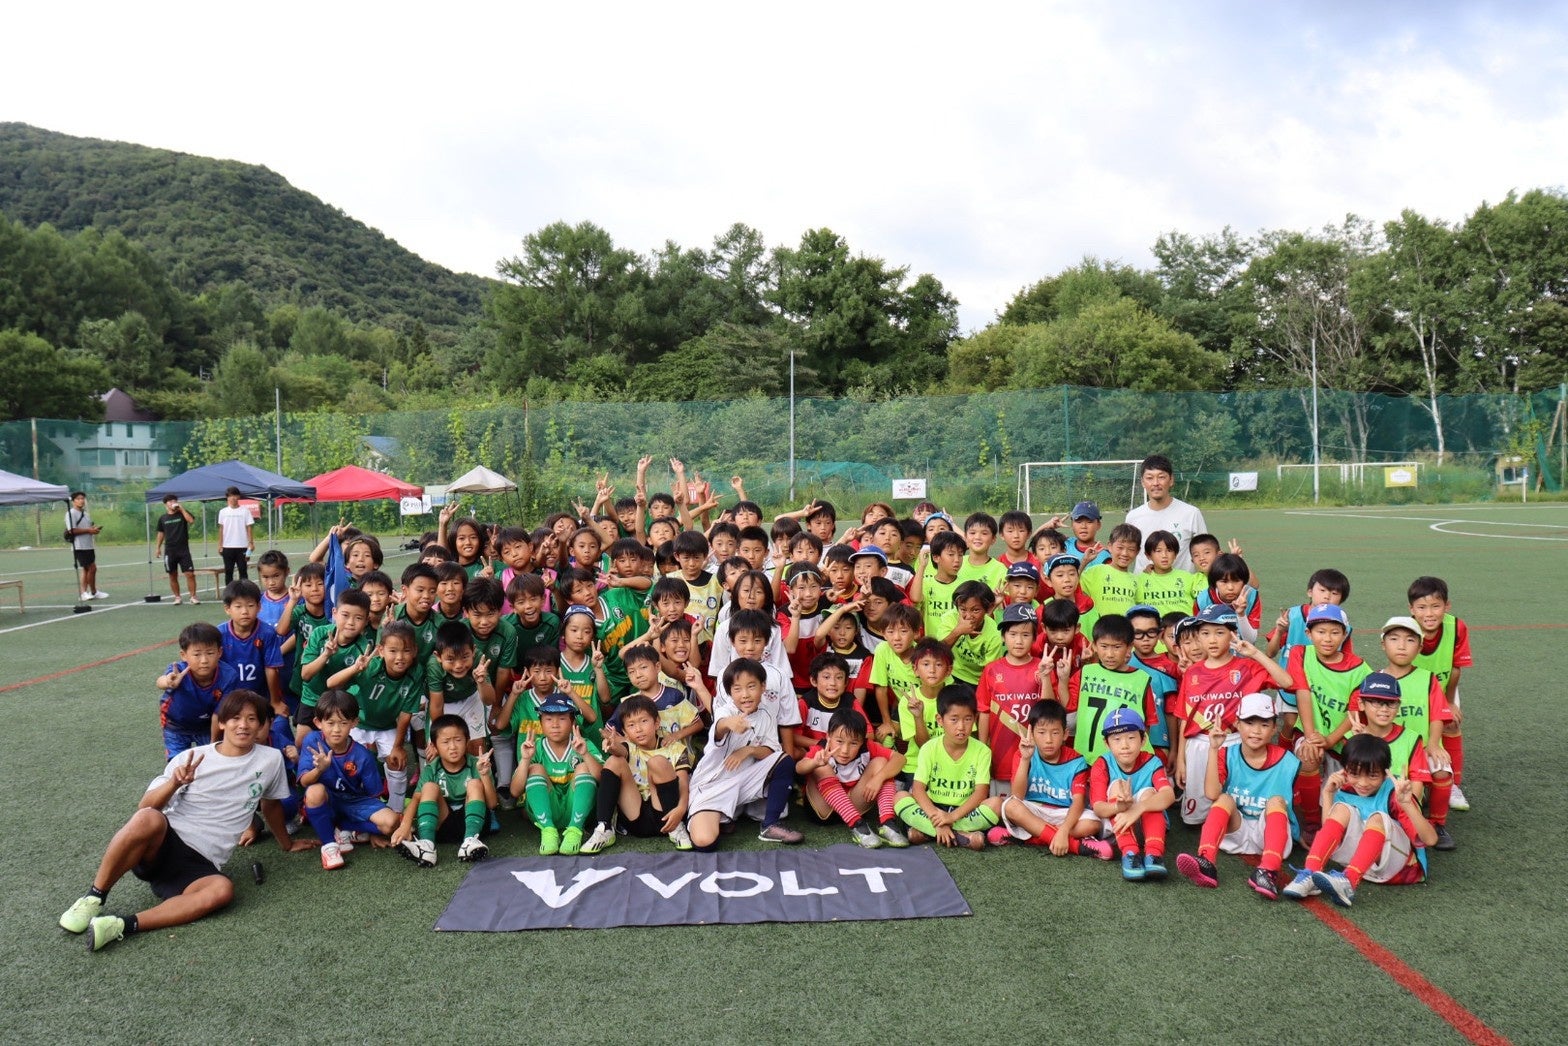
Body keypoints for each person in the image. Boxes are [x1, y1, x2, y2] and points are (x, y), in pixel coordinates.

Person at [59, 689, 315, 952]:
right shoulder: (192, 758)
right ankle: (94, 897)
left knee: (222, 890)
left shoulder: (270, 759)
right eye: (236, 718)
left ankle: (120, 925)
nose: (243, 725)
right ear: (222, 722)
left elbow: (270, 804)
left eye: (252, 719)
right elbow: (145, 806)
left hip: (201, 865)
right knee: (148, 818)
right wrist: (174, 783)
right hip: (163, 845)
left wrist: (286, 844)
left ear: (261, 725)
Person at [1172, 604, 1294, 826]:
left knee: (1233, 807)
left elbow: (1286, 682)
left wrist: (1255, 653)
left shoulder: (1247, 667)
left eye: (1219, 633)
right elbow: (1184, 718)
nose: (1212, 640)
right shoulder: (1192, 673)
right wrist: (1181, 759)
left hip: (1236, 742)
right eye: (1205, 633)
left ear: (1233, 634)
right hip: (1199, 744)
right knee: (1194, 819)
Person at [1282, 733, 1437, 906]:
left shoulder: (1395, 793)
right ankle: (1310, 873)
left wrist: (1407, 804)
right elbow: (1330, 836)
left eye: (1372, 776)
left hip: (1399, 868)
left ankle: (1349, 881)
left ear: (1386, 773)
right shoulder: (1346, 790)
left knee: (1377, 818)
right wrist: (1327, 794)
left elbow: (1431, 839)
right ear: (1345, 770)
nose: (1362, 783)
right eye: (1355, 774)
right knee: (1341, 808)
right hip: (1365, 866)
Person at [1175, 693, 1299, 899]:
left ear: (1274, 729)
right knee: (1223, 798)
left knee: (1276, 801)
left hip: (1269, 835)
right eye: (1249, 723)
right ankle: (1206, 861)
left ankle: (1268, 870)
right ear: (1237, 724)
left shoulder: (1289, 761)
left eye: (1264, 725)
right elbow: (1212, 794)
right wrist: (1213, 749)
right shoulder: (1227, 753)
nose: (1256, 731)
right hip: (1236, 830)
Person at [685, 658, 803, 847]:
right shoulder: (725, 711)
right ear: (730, 693)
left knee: (784, 761)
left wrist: (749, 750)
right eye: (737, 689)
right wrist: (729, 723)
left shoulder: (766, 714)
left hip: (743, 782)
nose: (745, 695)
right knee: (704, 842)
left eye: (751, 686)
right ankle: (719, 817)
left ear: (763, 687)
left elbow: (771, 750)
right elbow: (720, 726)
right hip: (711, 786)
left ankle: (770, 826)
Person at [984, 699, 1111, 858]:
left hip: (1063, 814)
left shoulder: (1077, 760)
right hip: (1034, 810)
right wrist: (1025, 759)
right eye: (1042, 732)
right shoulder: (1024, 754)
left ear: (1065, 734)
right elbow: (1018, 796)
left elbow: (1078, 802)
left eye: (1055, 732)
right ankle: (1076, 846)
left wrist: (1064, 829)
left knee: (1093, 823)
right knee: (1011, 806)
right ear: (1031, 733)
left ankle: (1025, 837)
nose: (1049, 739)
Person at [297, 689, 401, 869]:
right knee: (314, 791)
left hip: (353, 801)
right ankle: (330, 846)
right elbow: (304, 782)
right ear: (318, 723)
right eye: (330, 723)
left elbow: (373, 795)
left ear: (354, 723)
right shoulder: (312, 741)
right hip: (327, 800)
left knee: (391, 823)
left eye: (343, 723)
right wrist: (319, 769)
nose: (336, 729)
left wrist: (374, 831)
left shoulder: (363, 755)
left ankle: (346, 828)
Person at [583, 695, 694, 852]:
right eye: (631, 725)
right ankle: (604, 827)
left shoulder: (676, 749)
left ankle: (677, 829)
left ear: (656, 723)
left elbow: (683, 782)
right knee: (614, 760)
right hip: (635, 817)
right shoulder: (629, 748)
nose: (638, 729)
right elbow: (620, 750)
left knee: (658, 762)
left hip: (668, 816)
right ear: (625, 732)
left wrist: (681, 809)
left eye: (644, 721)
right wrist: (613, 746)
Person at [893, 685, 998, 850]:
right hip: (933, 808)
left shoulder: (982, 751)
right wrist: (937, 819)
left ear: (975, 719)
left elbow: (981, 793)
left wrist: (951, 817)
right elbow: (918, 789)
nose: (961, 727)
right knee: (900, 797)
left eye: (968, 719)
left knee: (997, 804)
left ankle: (928, 832)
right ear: (940, 720)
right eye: (954, 719)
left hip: (964, 812)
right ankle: (959, 836)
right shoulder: (929, 748)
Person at [796, 707, 909, 848]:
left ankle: (887, 822)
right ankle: (856, 824)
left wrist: (879, 778)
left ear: (862, 741)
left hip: (855, 805)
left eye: (854, 743)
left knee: (881, 763)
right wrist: (814, 762)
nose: (845, 750)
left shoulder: (868, 747)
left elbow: (900, 759)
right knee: (821, 767)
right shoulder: (822, 749)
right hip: (824, 810)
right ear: (828, 737)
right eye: (839, 741)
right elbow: (799, 768)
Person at [392, 714, 496, 866]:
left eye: (458, 740)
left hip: (475, 824)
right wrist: (404, 826)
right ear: (434, 746)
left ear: (467, 741)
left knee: (474, 784)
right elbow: (416, 799)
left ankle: (469, 841)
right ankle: (427, 845)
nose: (452, 747)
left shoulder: (477, 764)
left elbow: (492, 804)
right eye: (445, 742)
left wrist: (484, 774)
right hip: (442, 824)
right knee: (429, 787)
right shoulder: (431, 769)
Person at [1408, 576, 1472, 812]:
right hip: (1412, 691)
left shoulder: (1457, 627)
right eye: (1422, 607)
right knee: (1412, 732)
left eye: (1436, 606)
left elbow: (1455, 668)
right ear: (1412, 609)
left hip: (1444, 688)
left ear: (1447, 606)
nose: (1429, 613)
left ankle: (1453, 784)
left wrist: (1449, 702)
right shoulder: (1406, 629)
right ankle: (1415, 777)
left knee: (1451, 724)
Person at [1088, 707, 1176, 881]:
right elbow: (1098, 808)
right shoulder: (1102, 763)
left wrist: (1138, 808)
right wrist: (1119, 806)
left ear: (1143, 739)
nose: (1125, 745)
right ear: (1107, 743)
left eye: (1131, 737)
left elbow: (1169, 795)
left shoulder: (1152, 761)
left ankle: (1154, 854)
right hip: (1116, 827)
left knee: (1149, 793)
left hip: (1148, 827)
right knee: (1117, 786)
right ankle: (1130, 853)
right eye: (1117, 739)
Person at [511, 696, 603, 855]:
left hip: (578, 811)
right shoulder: (536, 747)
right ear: (541, 722)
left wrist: (585, 754)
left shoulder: (583, 743)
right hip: (546, 812)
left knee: (583, 766)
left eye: (562, 718)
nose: (555, 724)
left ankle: (575, 830)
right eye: (548, 719)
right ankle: (548, 831)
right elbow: (514, 791)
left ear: (573, 722)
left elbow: (603, 778)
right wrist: (525, 760)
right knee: (535, 768)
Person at [976, 603, 1045, 791]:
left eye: (1025, 635)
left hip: (1035, 757)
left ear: (1035, 638)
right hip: (1000, 756)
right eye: (1013, 634)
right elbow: (984, 711)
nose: (1019, 641)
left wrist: (1046, 677)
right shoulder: (991, 670)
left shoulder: (1041, 667)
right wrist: (983, 749)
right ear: (1003, 636)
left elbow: (1049, 709)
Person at [156, 622, 241, 759]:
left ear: (219, 652)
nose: (204, 660)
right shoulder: (178, 671)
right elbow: (160, 682)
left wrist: (213, 744)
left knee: (211, 761)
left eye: (210, 653)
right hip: (175, 725)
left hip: (207, 726)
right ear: (184, 655)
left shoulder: (229, 676)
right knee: (176, 763)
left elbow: (219, 714)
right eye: (197, 654)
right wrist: (168, 681)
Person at [1126, 454, 1208, 572]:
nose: (1155, 483)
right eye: (1149, 478)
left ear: (1171, 480)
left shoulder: (1191, 514)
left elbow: (1205, 553)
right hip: (1143, 583)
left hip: (1181, 583)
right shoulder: (1133, 517)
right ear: (1143, 482)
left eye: (1161, 477)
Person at [218, 580, 285, 715]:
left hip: (260, 697)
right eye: (238, 606)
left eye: (250, 605)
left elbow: (271, 669)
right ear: (227, 609)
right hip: (227, 699)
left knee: (280, 724)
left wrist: (275, 701)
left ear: (259, 607)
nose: (245, 611)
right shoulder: (219, 634)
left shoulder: (267, 633)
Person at [154, 493, 198, 604]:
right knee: (172, 575)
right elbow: (161, 533)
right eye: (170, 501)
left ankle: (193, 597)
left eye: (174, 501)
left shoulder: (182, 514)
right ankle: (177, 597)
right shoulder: (163, 518)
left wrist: (181, 509)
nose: (173, 503)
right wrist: (158, 547)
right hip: (170, 550)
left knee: (190, 574)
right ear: (165, 504)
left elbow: (191, 521)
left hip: (183, 549)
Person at [66, 490, 106, 600]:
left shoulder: (86, 514)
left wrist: (93, 530)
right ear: (73, 501)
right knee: (92, 568)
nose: (81, 501)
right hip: (79, 546)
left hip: (88, 545)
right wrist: (89, 530)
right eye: (78, 499)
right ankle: (86, 592)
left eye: (83, 498)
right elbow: (71, 530)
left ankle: (91, 592)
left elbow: (87, 529)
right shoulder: (71, 513)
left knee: (87, 569)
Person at [216, 486, 254, 584]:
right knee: (228, 571)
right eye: (230, 496)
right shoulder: (223, 512)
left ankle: (244, 591)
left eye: (235, 495)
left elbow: (249, 527)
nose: (233, 498)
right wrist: (220, 545)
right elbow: (221, 529)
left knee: (243, 570)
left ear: (238, 496)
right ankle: (229, 592)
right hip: (227, 546)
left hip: (242, 546)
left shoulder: (245, 511)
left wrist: (250, 543)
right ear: (227, 498)